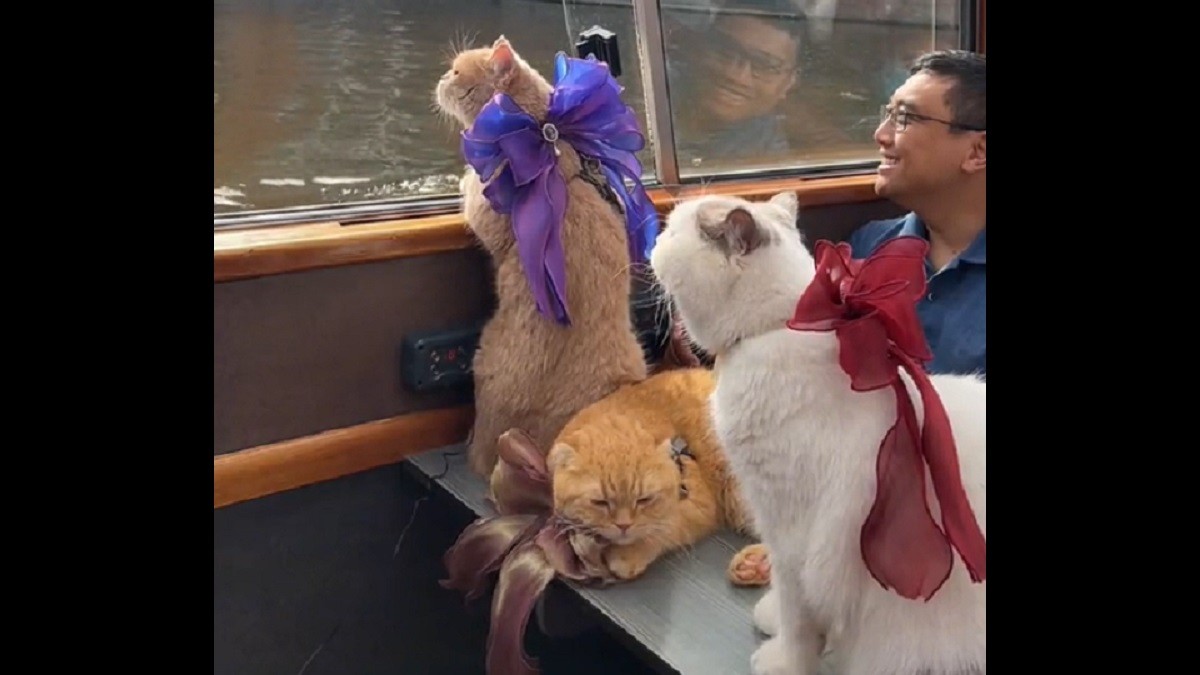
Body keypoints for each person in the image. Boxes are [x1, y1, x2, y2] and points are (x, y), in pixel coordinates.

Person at [846, 49, 986, 378]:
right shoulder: (868, 247)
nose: (880, 134)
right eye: (888, 114)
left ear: (978, 151)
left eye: (905, 118)